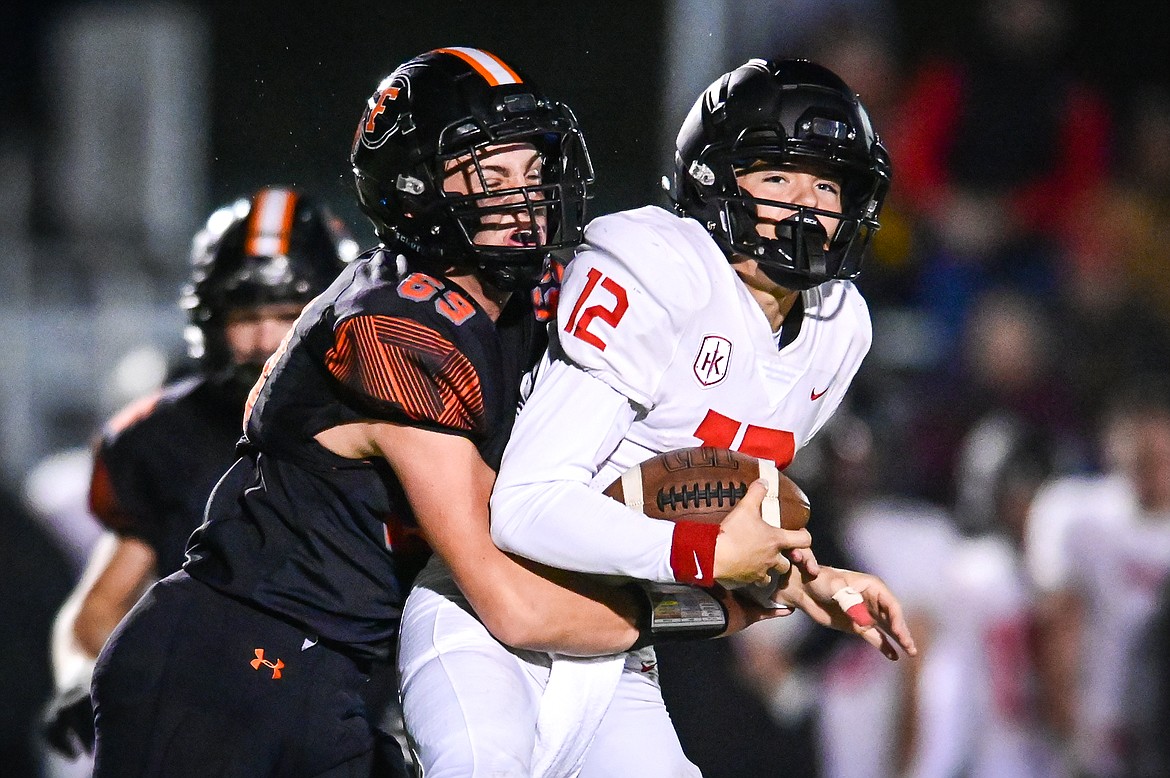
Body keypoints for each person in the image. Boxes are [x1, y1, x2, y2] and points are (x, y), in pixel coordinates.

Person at [89, 47, 803, 778]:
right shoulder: (401, 330)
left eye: (533, 171)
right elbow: (513, 605)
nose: (525, 200)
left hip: (330, 669)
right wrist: (710, 599)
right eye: (491, 177)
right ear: (414, 187)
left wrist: (797, 567)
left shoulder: (526, 305)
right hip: (229, 664)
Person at [398, 58, 918, 777]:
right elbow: (524, 506)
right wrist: (705, 558)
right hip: (490, 619)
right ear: (716, 182)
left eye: (827, 185)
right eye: (777, 177)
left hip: (612, 647)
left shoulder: (839, 329)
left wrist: (801, 578)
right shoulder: (659, 271)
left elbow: (717, 497)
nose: (807, 204)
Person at [43, 186, 355, 762]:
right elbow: (98, 609)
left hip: (356, 714)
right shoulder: (160, 436)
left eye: (288, 315)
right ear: (210, 319)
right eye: (246, 316)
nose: (266, 341)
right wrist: (86, 676)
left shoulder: (390, 414)